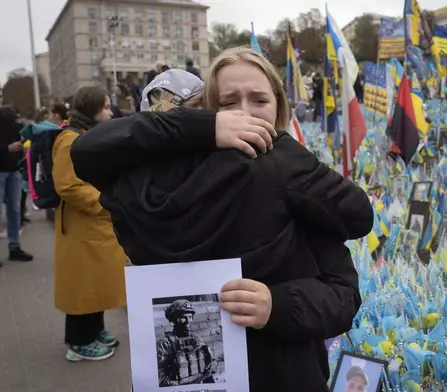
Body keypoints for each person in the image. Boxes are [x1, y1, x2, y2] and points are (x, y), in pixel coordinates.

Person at [71, 51, 371, 391]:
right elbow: (85, 152)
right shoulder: (280, 165)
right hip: (270, 374)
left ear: (279, 106)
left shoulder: (296, 180)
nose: (244, 113)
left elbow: (343, 295)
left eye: (259, 99)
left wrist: (278, 304)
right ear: (209, 112)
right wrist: (205, 129)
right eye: (229, 104)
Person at [52, 86, 126, 361]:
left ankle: (96, 329)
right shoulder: (70, 140)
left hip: (93, 224)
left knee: (96, 283)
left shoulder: (84, 135)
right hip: (82, 225)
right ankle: (78, 341)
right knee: (81, 286)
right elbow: (68, 186)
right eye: (106, 106)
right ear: (93, 109)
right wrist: (105, 202)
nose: (110, 111)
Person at [156, 299, 219, 387]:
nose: (188, 321)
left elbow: (211, 360)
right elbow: (160, 377)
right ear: (174, 319)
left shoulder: (196, 338)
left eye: (190, 317)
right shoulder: (165, 344)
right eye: (183, 318)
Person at [0, 106, 33, 264]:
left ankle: (15, 247)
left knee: (15, 209)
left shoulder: (9, 115)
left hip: (14, 169)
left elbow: (20, 135)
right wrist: (7, 148)